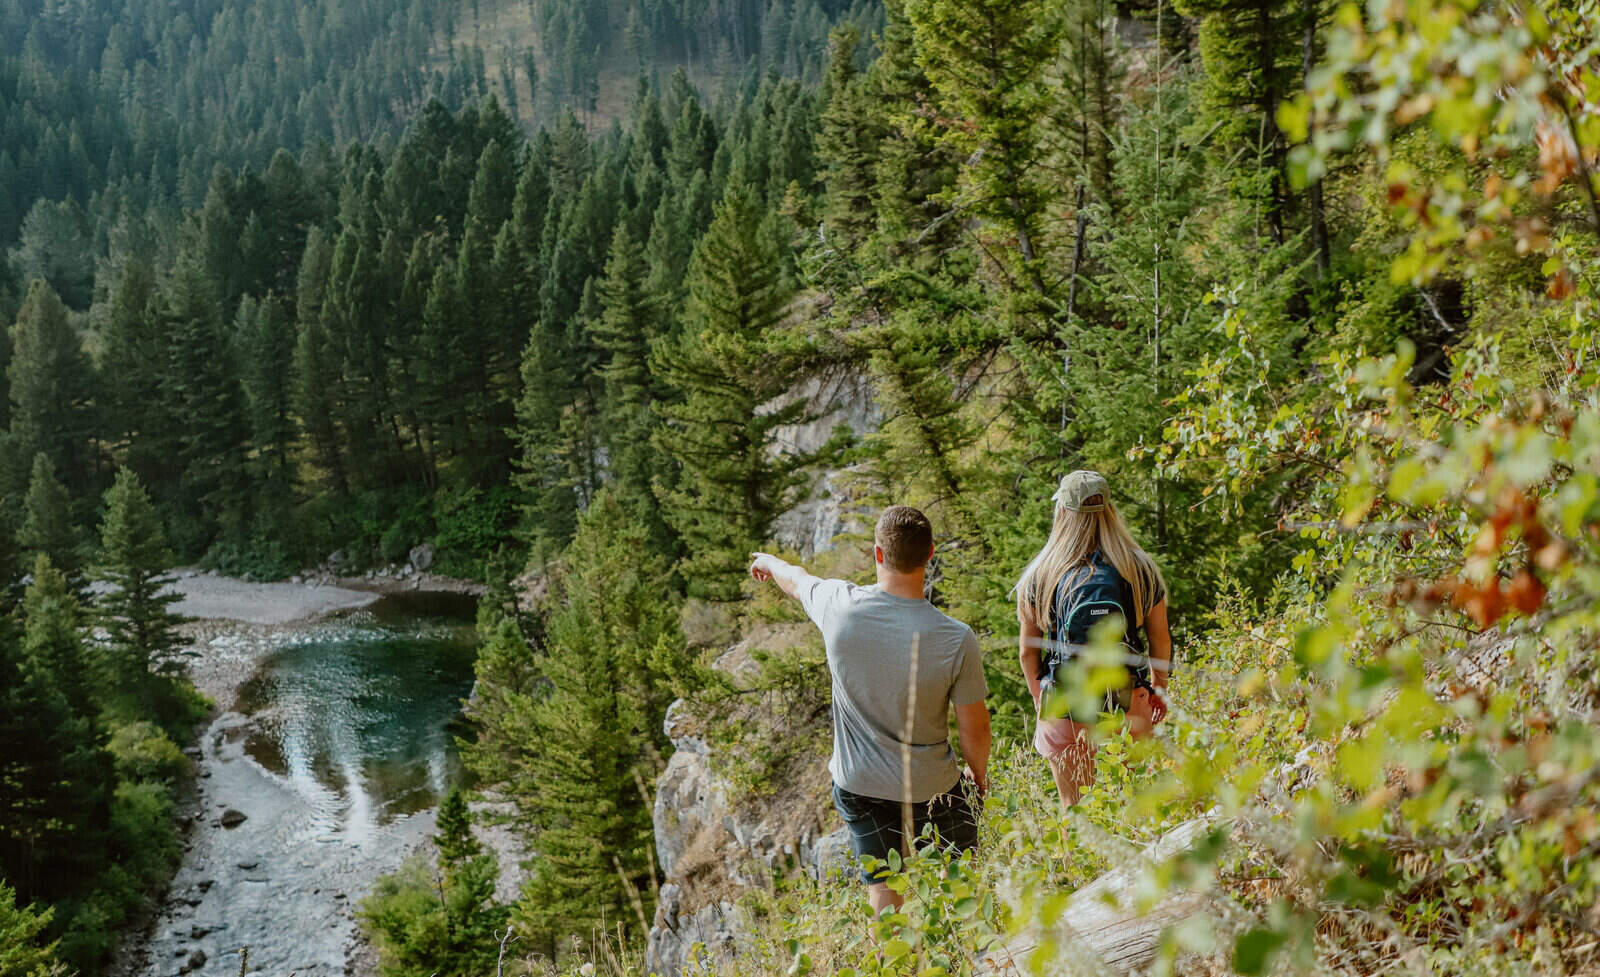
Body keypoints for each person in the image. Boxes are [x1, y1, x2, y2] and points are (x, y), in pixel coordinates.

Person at [748, 505, 991, 914]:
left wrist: (769, 563)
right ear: (930, 553)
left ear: (877, 554)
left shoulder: (837, 606)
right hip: (933, 785)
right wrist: (977, 777)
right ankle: (970, 950)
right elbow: (975, 730)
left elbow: (797, 580)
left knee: (883, 889)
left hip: (860, 785)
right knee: (961, 879)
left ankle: (893, 963)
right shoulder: (956, 639)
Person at [1014, 470, 1172, 809]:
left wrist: (1040, 696)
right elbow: (1160, 639)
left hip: (1066, 711)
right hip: (1129, 706)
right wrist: (1158, 690)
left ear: (1063, 513)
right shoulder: (1139, 568)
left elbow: (1028, 652)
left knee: (1076, 816)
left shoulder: (1041, 575)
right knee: (1137, 811)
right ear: (1109, 511)